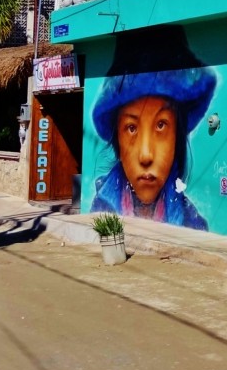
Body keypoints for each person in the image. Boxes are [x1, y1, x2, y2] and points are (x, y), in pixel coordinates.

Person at [91, 25, 215, 229]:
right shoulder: (100, 209)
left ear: (177, 136)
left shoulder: (193, 226)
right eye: (131, 128)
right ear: (117, 139)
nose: (146, 156)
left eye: (161, 125)